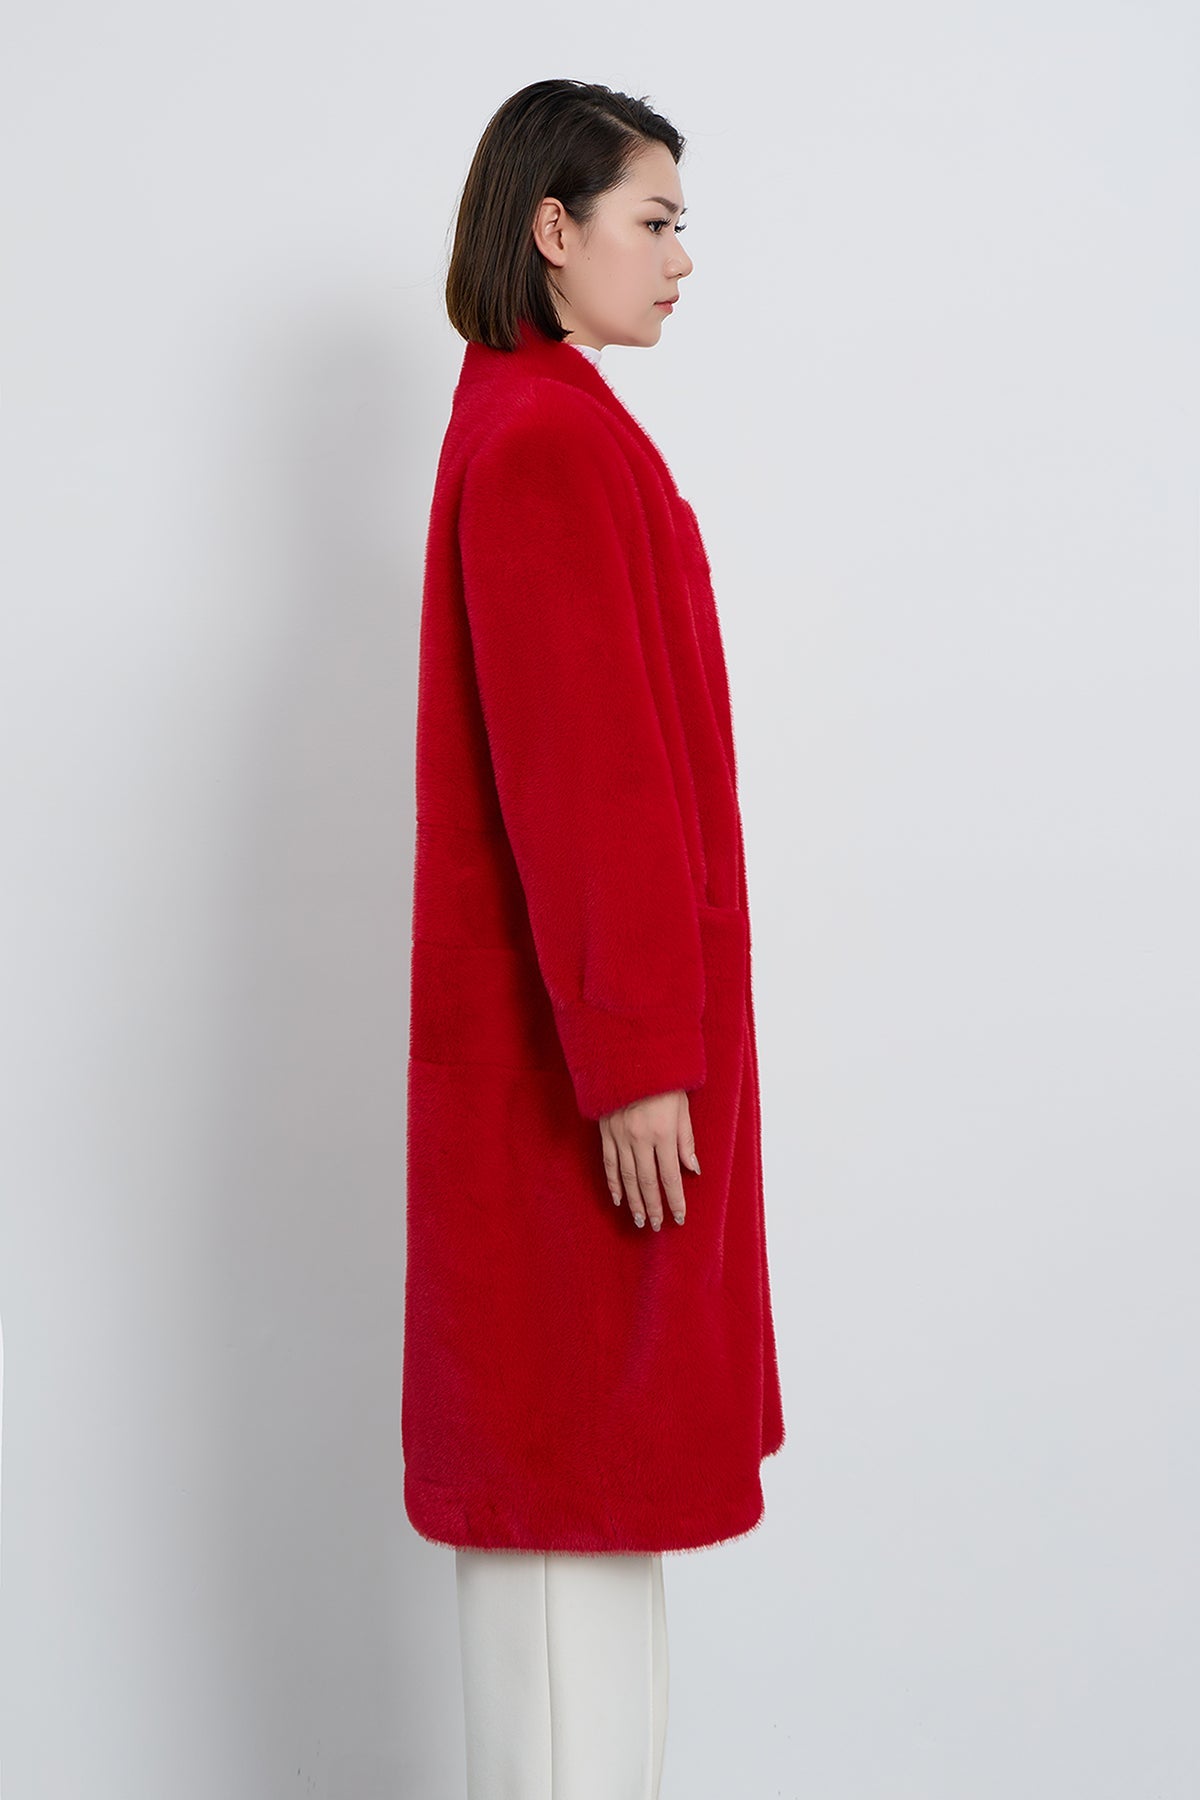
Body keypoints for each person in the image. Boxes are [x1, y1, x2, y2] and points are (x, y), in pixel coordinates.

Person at [402, 78, 786, 1800]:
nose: (683, 259)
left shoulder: (540, 421)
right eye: (656, 221)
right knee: (567, 1512)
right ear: (552, 231)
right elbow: (589, 777)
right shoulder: (546, 442)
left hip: (583, 1057)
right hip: (584, 1082)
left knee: (586, 1522)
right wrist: (636, 1059)